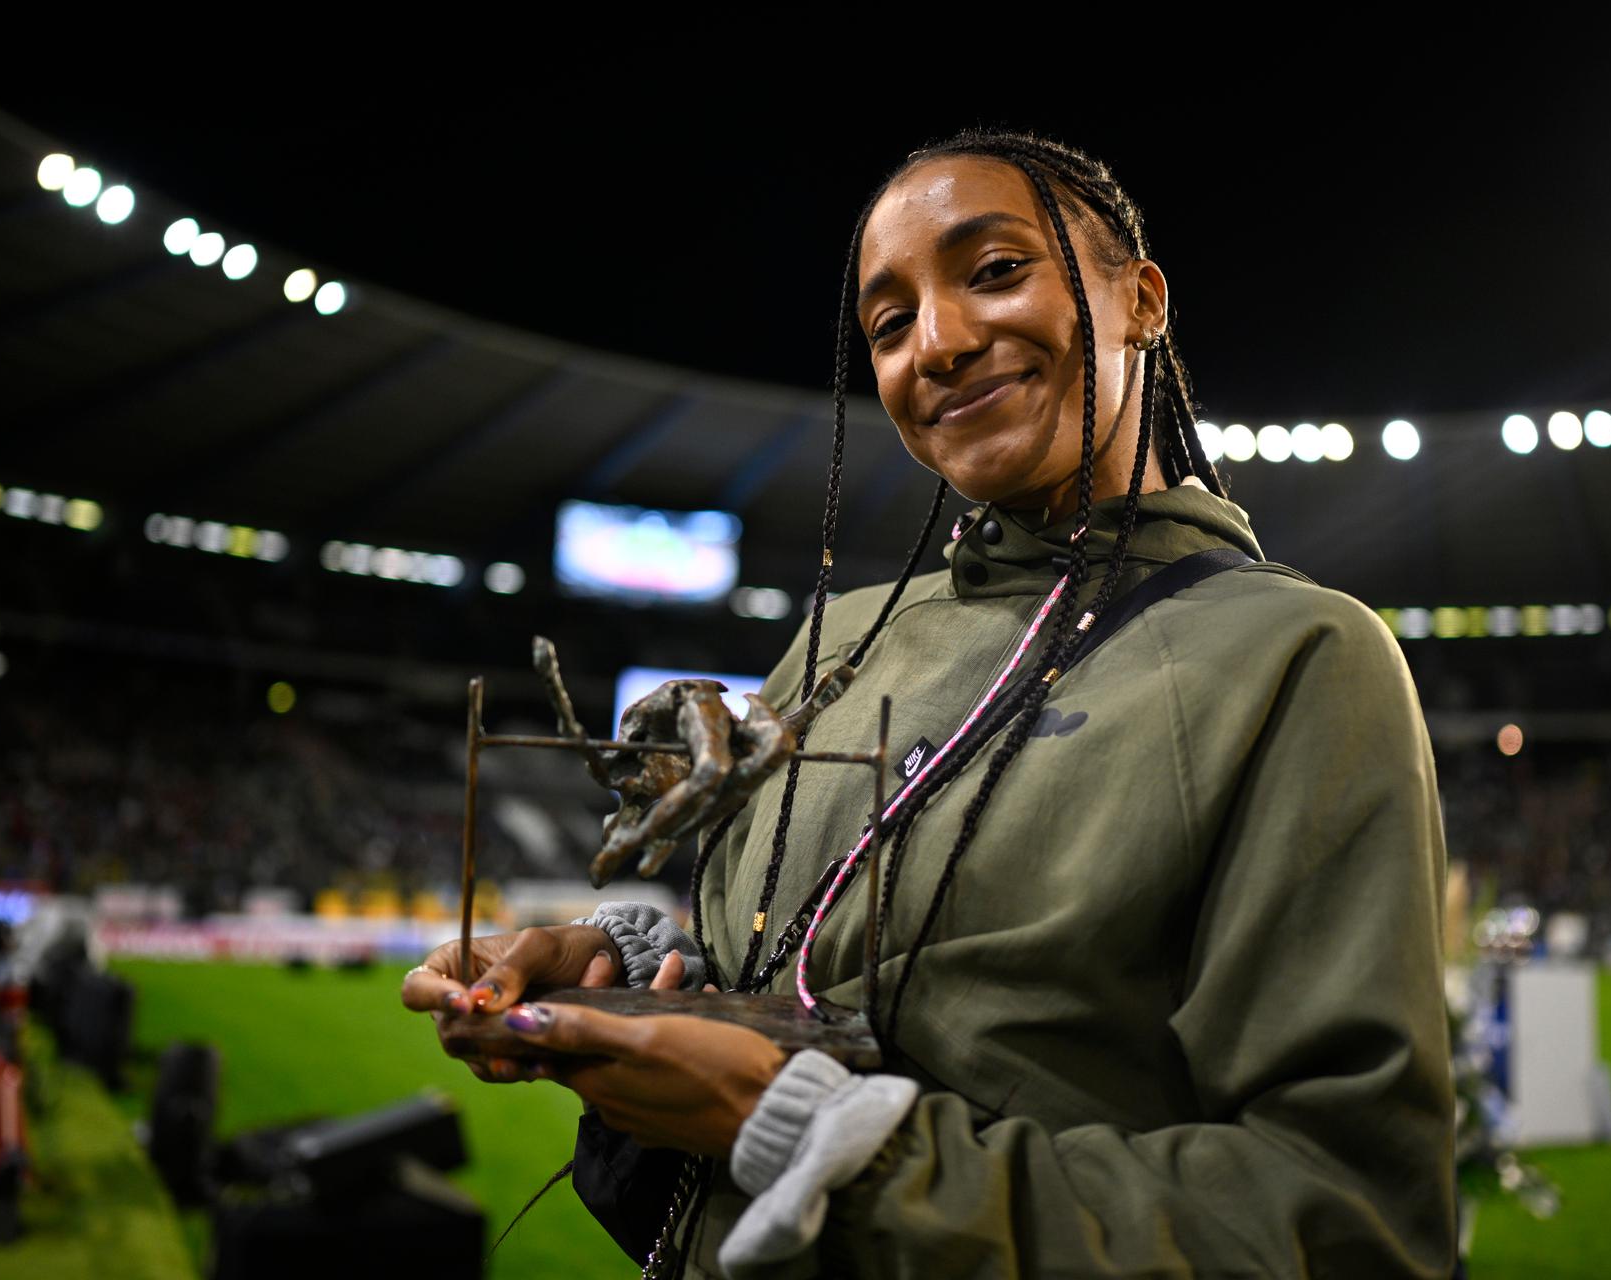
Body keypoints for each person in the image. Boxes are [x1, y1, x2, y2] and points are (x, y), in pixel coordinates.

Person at [403, 128, 1457, 1278]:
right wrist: (625, 965)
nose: (939, 345)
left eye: (996, 269)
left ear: (1142, 297)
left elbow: (1346, 1220)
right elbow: (792, 971)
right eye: (889, 323)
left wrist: (829, 1143)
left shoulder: (1297, 654)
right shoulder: (840, 640)